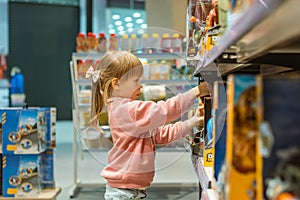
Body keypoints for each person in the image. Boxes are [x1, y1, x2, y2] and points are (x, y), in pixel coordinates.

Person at [86, 50, 211, 200]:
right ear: (116, 83)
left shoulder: (128, 112)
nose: (141, 85)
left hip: (130, 189)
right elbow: (163, 111)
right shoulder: (125, 110)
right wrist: (195, 92)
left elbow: (160, 135)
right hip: (124, 192)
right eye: (136, 80)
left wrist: (193, 122)